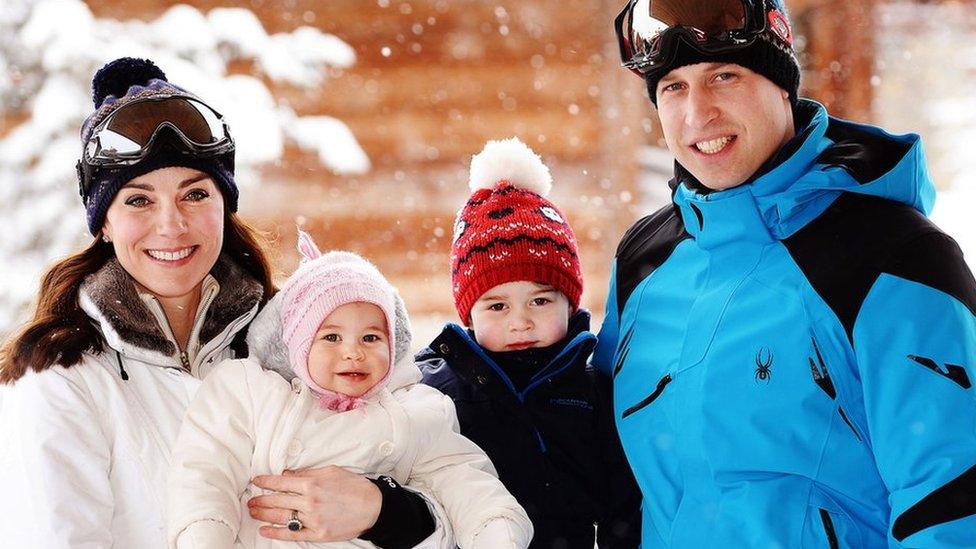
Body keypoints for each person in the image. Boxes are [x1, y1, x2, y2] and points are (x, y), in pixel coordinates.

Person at [0, 57, 442, 547]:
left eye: (194, 195)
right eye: (139, 200)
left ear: (224, 205)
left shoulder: (292, 344)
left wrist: (386, 511)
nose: (171, 225)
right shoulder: (64, 378)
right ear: (104, 222)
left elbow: (438, 470)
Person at [595, 0, 976, 546]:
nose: (696, 115)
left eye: (723, 75)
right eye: (673, 87)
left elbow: (951, 502)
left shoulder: (893, 256)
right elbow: (602, 471)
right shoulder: (644, 261)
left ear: (782, 86)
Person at [168, 238, 532, 549]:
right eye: (331, 337)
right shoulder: (252, 392)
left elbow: (461, 478)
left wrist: (495, 531)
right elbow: (205, 470)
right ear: (296, 344)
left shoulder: (413, 410)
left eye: (371, 338)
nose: (353, 352)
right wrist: (204, 536)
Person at [418, 138, 642, 548]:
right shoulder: (435, 393)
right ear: (469, 315)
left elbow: (624, 506)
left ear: (569, 303)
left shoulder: (595, 392)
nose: (520, 322)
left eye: (540, 300)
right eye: (497, 306)